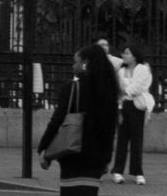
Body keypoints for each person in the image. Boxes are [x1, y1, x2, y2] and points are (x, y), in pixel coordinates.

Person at [39, 39, 120, 190]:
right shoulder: (108, 92)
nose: (73, 66)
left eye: (75, 62)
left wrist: (44, 148)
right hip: (96, 158)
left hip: (72, 154)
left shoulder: (71, 88)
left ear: (85, 63)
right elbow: (110, 129)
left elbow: (56, 120)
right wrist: (106, 159)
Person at [109, 38, 154, 183]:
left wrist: (126, 90)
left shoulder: (143, 69)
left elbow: (140, 86)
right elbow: (118, 88)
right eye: (123, 53)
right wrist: (124, 94)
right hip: (123, 106)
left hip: (137, 106)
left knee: (137, 139)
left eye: (127, 53)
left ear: (134, 55)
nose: (124, 56)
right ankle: (117, 171)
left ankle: (137, 172)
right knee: (122, 139)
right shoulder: (121, 71)